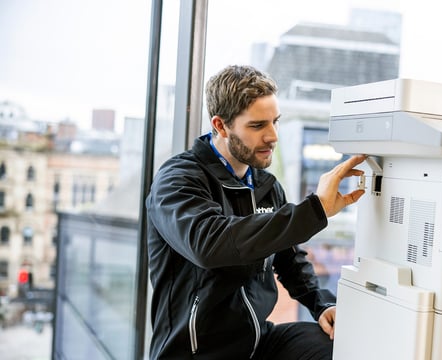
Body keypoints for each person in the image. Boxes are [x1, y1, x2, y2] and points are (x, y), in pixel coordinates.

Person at [146, 64, 366, 359]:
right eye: (257, 125)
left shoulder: (266, 185)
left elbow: (289, 259)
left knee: (341, 347)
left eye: (275, 121)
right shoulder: (178, 179)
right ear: (221, 125)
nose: (273, 136)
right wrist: (316, 210)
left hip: (258, 342)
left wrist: (321, 304)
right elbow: (209, 244)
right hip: (198, 353)